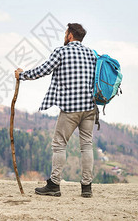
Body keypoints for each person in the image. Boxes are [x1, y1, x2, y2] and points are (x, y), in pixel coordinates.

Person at [14, 23, 98, 198]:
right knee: (87, 146)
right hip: (90, 108)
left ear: (69, 36)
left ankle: (54, 184)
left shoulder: (61, 51)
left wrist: (22, 75)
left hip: (70, 109)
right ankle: (87, 187)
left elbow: (43, 70)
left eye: (66, 32)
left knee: (59, 145)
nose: (65, 35)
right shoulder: (91, 54)